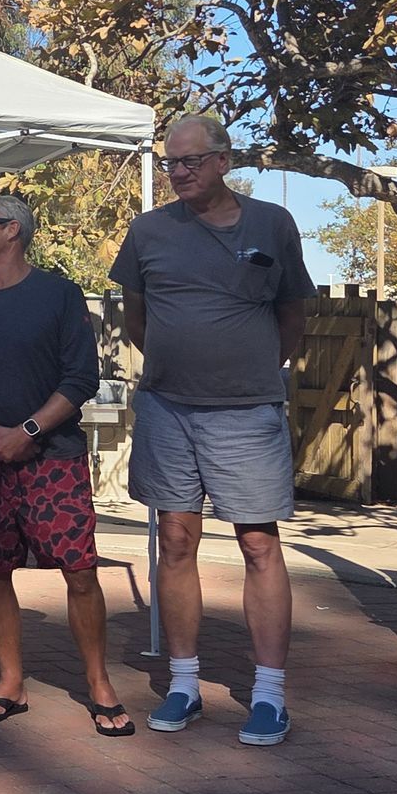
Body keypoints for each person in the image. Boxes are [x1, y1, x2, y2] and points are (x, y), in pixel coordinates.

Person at [110, 114, 315, 747]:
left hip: (248, 411)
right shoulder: (147, 232)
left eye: (191, 161)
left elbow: (292, 313)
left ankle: (270, 695)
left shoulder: (271, 225)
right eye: (171, 162)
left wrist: (247, 368)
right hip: (169, 409)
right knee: (174, 539)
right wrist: (180, 362)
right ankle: (183, 684)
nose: (178, 172)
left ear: (225, 161)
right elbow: (136, 316)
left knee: (258, 543)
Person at [0, 195, 132, 736]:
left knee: (80, 571)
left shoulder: (60, 296)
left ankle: (99, 684)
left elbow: (79, 379)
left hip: (54, 459)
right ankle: (9, 682)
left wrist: (27, 432)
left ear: (13, 230)